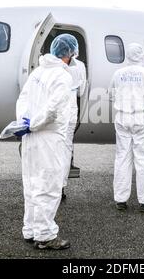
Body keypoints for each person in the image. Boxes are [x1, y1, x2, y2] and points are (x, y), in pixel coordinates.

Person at [15, 34, 78, 250]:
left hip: (30, 135)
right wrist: (36, 123)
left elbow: (22, 99)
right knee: (49, 186)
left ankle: (30, 230)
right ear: (69, 53)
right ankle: (45, 236)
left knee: (31, 183)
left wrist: (24, 122)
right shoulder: (63, 76)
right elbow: (54, 108)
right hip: (48, 137)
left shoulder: (37, 72)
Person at [109, 43, 144, 212]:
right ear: (141, 56)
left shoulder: (118, 74)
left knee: (122, 158)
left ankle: (120, 199)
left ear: (127, 55)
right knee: (143, 159)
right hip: (142, 117)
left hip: (122, 118)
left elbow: (111, 95)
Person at [61, 54, 87, 200]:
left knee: (52, 150)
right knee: (65, 149)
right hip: (70, 112)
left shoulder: (48, 65)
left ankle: (51, 186)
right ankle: (60, 187)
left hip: (57, 114)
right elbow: (81, 91)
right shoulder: (80, 66)